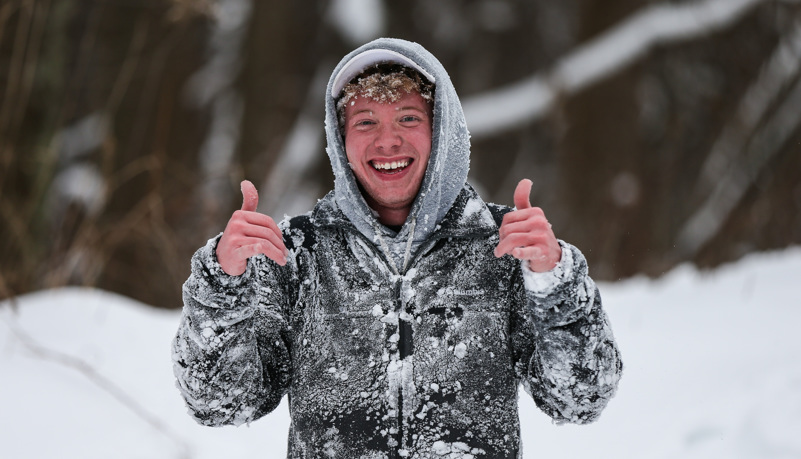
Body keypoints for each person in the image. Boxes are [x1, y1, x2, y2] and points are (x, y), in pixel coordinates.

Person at [173, 38, 622, 458]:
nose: (388, 141)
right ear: (341, 142)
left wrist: (553, 279)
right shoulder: (296, 255)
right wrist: (222, 284)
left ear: (441, 132)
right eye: (366, 122)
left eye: (409, 118)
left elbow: (581, 398)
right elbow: (218, 403)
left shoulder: (505, 246)